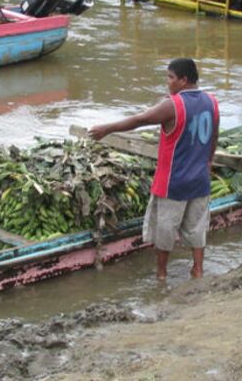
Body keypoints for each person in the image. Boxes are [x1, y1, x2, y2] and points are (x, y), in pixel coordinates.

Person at [89, 58, 219, 280]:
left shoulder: (174, 105)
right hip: (200, 180)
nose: (167, 82)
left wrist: (107, 128)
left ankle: (161, 275)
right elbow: (214, 137)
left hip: (173, 181)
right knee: (197, 228)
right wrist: (208, 162)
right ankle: (198, 270)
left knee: (165, 230)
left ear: (184, 80)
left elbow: (141, 119)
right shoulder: (211, 102)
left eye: (170, 77)